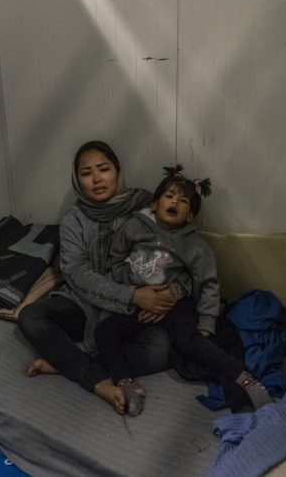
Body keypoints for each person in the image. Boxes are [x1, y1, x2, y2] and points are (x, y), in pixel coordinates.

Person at [17, 141, 181, 415]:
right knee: (30, 317)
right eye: (86, 173)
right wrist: (131, 295)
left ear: (117, 171)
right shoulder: (74, 220)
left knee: (160, 349)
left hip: (132, 313)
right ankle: (97, 381)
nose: (96, 179)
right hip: (85, 304)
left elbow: (176, 251)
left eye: (103, 169)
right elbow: (77, 274)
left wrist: (167, 294)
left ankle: (65, 362)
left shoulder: (146, 206)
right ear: (77, 180)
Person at [95, 165, 273, 416]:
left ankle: (243, 378)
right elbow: (115, 260)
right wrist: (132, 289)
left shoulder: (195, 246)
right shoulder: (133, 228)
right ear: (154, 204)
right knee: (104, 330)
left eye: (183, 201)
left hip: (175, 304)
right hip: (138, 301)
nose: (175, 202)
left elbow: (208, 284)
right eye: (169, 196)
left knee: (190, 341)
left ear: (190, 216)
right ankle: (126, 382)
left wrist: (206, 323)